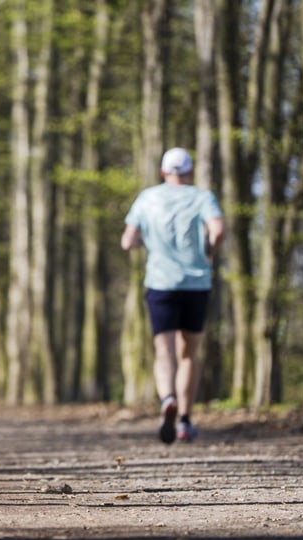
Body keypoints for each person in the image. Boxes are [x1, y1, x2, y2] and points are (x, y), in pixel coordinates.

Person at [120, 147, 225, 444]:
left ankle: (167, 399)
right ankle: (185, 421)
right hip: (196, 284)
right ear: (190, 171)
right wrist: (209, 252)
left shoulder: (147, 198)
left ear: (164, 172)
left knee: (163, 351)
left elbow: (127, 241)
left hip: (160, 283)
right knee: (188, 354)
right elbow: (218, 229)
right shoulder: (202, 197)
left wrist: (144, 240)